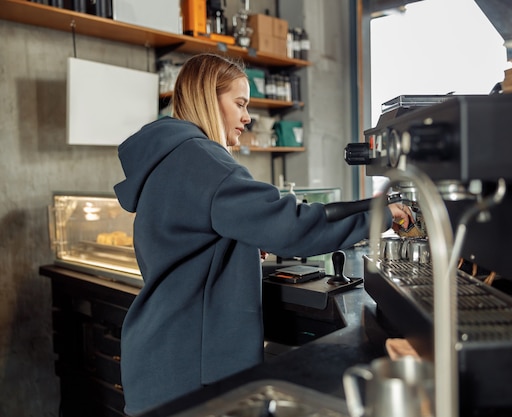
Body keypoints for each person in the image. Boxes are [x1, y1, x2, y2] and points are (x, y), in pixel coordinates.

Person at [114, 53, 413, 416]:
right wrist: (379, 214)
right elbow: (296, 227)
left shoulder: (167, 158)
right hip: (190, 367)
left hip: (158, 357)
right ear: (210, 97)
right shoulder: (202, 159)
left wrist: (234, 247)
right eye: (239, 103)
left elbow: (187, 243)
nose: (247, 117)